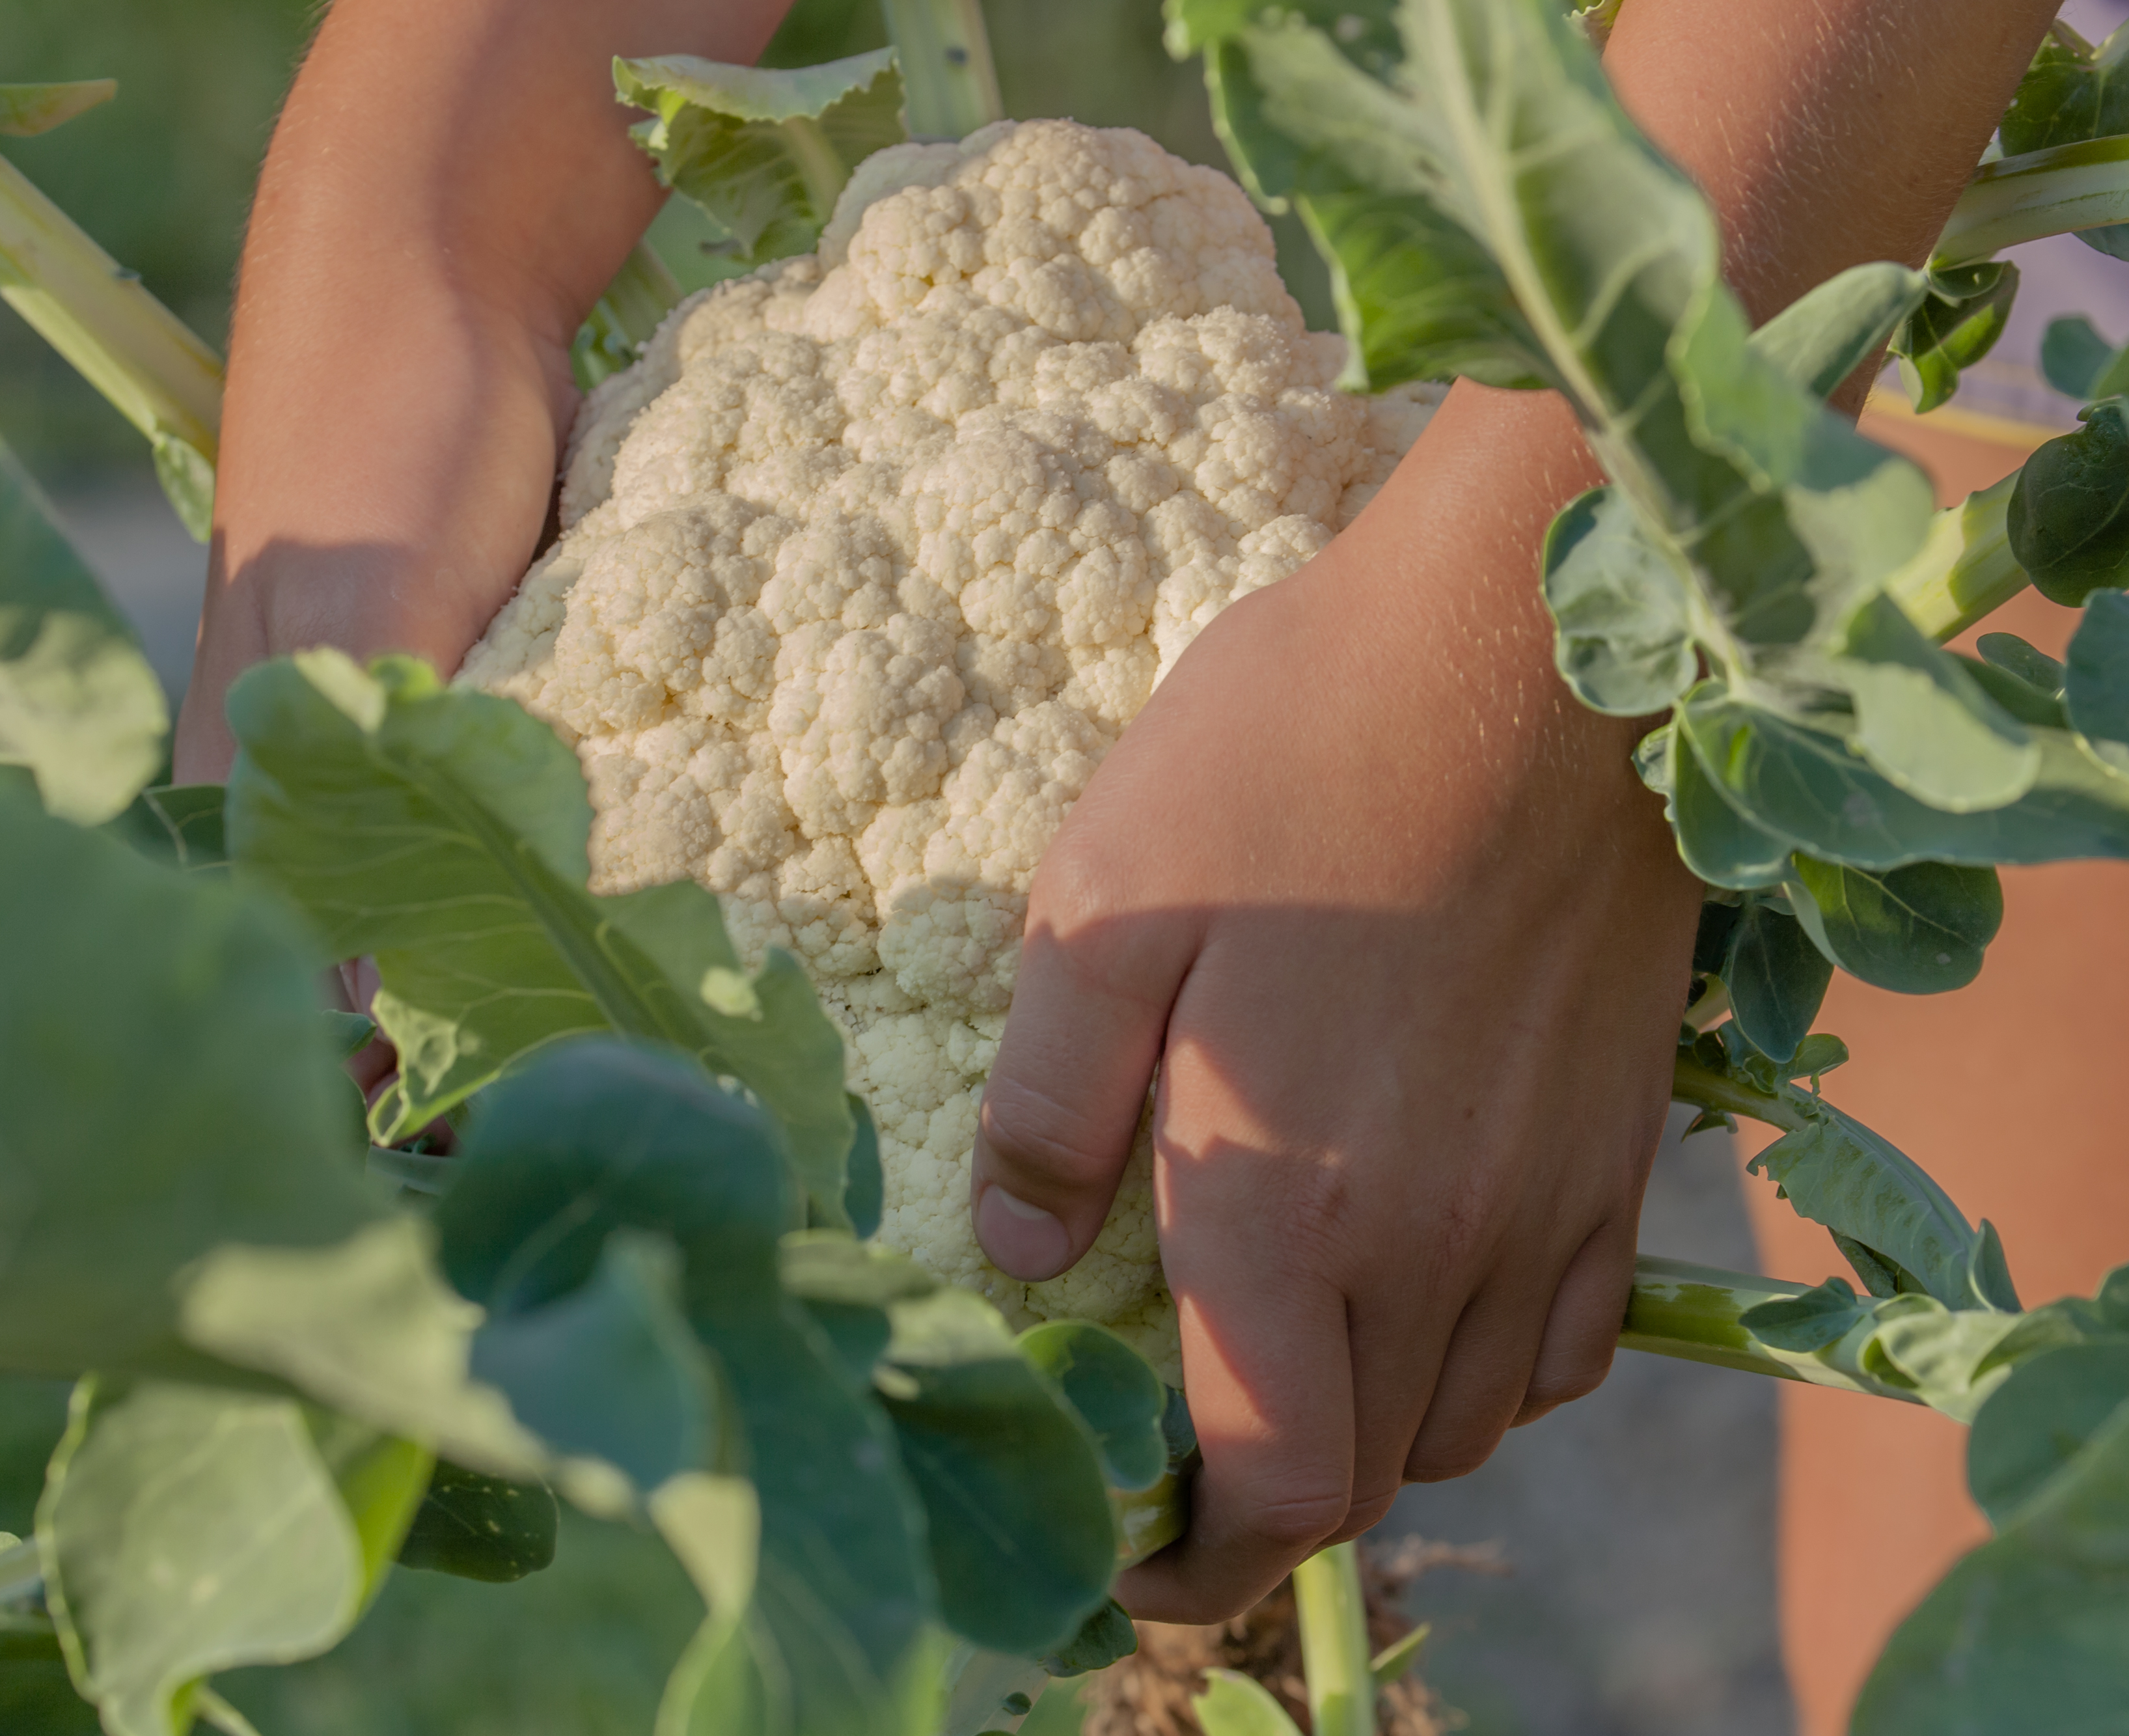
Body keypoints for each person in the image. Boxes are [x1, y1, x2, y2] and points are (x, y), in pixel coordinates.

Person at [172, 0, 2061, 1627]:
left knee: (2047, 1533)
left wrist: (1542, 672)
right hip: (1735, 217)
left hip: (1893, 191)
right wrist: (420, 217)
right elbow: (427, 217)